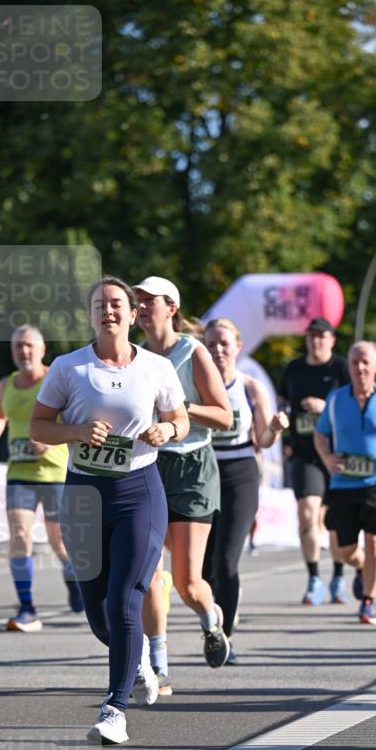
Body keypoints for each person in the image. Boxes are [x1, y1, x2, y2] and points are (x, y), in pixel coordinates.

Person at [30, 276, 189, 744]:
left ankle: (114, 709)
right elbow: (39, 425)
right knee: (98, 614)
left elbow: (180, 417)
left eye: (118, 304)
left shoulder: (157, 368)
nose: (110, 311)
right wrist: (76, 433)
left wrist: (169, 433)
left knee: (125, 600)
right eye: (101, 305)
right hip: (83, 493)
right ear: (92, 314)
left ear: (134, 313)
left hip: (139, 491)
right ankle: (137, 659)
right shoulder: (68, 367)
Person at [134, 275, 234, 674]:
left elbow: (224, 416)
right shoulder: (135, 356)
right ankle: (159, 667)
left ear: (171, 308)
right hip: (150, 466)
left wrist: (179, 409)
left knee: (188, 582)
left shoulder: (192, 351)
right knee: (149, 576)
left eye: (149, 300)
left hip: (193, 466)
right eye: (137, 300)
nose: (141, 306)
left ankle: (211, 619)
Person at [0, 325, 83, 631]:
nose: (23, 352)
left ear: (41, 349)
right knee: (20, 538)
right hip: (20, 473)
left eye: (28, 346)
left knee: (59, 541)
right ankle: (27, 607)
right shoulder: (6, 384)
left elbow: (75, 422)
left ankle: (74, 581)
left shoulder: (57, 379)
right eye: (17, 347)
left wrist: (51, 440)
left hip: (54, 473)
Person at [202, 318, 289, 663]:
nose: (218, 350)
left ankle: (223, 639)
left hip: (240, 471)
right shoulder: (197, 385)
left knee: (226, 561)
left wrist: (276, 429)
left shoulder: (250, 386)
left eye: (224, 343)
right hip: (204, 471)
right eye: (210, 344)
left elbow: (263, 439)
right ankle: (217, 616)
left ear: (238, 346)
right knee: (203, 568)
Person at [314, 341, 376, 626]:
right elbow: (320, 434)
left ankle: (368, 602)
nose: (360, 367)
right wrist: (327, 458)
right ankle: (361, 568)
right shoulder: (335, 400)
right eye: (354, 362)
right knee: (342, 551)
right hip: (343, 483)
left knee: (374, 541)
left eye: (365, 362)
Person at [277, 317, 351, 605]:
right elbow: (282, 399)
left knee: (335, 520)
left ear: (332, 340)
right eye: (311, 336)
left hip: (338, 453)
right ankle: (314, 577)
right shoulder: (294, 369)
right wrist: (282, 420)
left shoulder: (342, 368)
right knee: (307, 514)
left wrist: (326, 407)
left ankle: (339, 576)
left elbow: (356, 404)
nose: (316, 341)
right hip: (305, 452)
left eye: (322, 336)